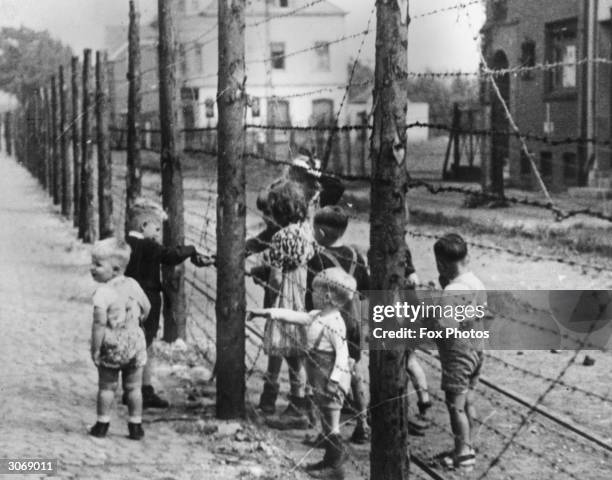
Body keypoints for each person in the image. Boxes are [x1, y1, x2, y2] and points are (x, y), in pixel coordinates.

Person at [249, 267, 355, 480]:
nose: (311, 295)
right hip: (317, 374)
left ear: (327, 297)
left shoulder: (335, 323)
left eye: (314, 292)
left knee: (332, 421)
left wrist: (334, 381)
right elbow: (295, 316)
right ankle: (329, 460)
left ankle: (336, 465)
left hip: (329, 377)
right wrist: (267, 312)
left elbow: (342, 355)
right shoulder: (317, 315)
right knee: (326, 420)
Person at [124, 198, 212, 408]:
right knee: (146, 347)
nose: (157, 234)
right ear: (143, 225)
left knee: (131, 345)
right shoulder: (149, 246)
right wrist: (191, 250)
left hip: (128, 301)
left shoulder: (126, 243)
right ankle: (144, 390)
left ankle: (129, 390)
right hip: (148, 304)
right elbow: (170, 255)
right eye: (156, 229)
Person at [248, 180, 317, 428]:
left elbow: (276, 276)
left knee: (288, 352)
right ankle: (302, 402)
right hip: (302, 293)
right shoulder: (306, 230)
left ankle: (296, 406)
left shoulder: (279, 238)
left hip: (284, 297)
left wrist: (269, 292)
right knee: (296, 352)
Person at [305, 205, 370, 444]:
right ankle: (362, 422)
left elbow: (309, 296)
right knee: (354, 370)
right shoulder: (356, 256)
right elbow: (366, 288)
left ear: (320, 232)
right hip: (354, 321)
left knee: (325, 375)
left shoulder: (317, 259)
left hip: (330, 324)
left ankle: (327, 431)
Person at [432, 233, 486, 471]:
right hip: (477, 350)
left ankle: (463, 454)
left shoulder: (451, 291)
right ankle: (469, 444)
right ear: (468, 257)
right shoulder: (476, 282)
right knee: (468, 400)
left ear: (441, 264)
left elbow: (445, 327)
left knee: (455, 405)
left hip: (458, 355)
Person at [88, 238, 150, 440]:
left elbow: (99, 324)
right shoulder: (133, 284)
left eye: (97, 264)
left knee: (106, 386)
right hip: (135, 343)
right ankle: (135, 425)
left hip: (113, 344)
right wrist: (137, 321)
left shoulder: (102, 293)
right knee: (133, 387)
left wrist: (95, 349)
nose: (92, 268)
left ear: (114, 269)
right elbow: (147, 307)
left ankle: (102, 423)